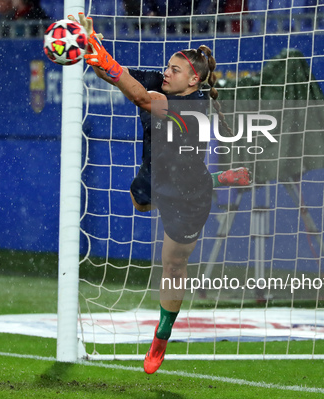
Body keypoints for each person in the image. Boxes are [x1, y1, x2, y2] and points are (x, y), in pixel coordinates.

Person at [69, 13, 250, 374]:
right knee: (138, 202)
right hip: (154, 174)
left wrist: (100, 56)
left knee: (173, 263)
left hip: (187, 196)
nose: (166, 72)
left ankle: (162, 336)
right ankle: (218, 179)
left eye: (175, 70)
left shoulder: (190, 106)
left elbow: (138, 96)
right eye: (167, 66)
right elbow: (116, 75)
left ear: (193, 80)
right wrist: (90, 48)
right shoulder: (164, 83)